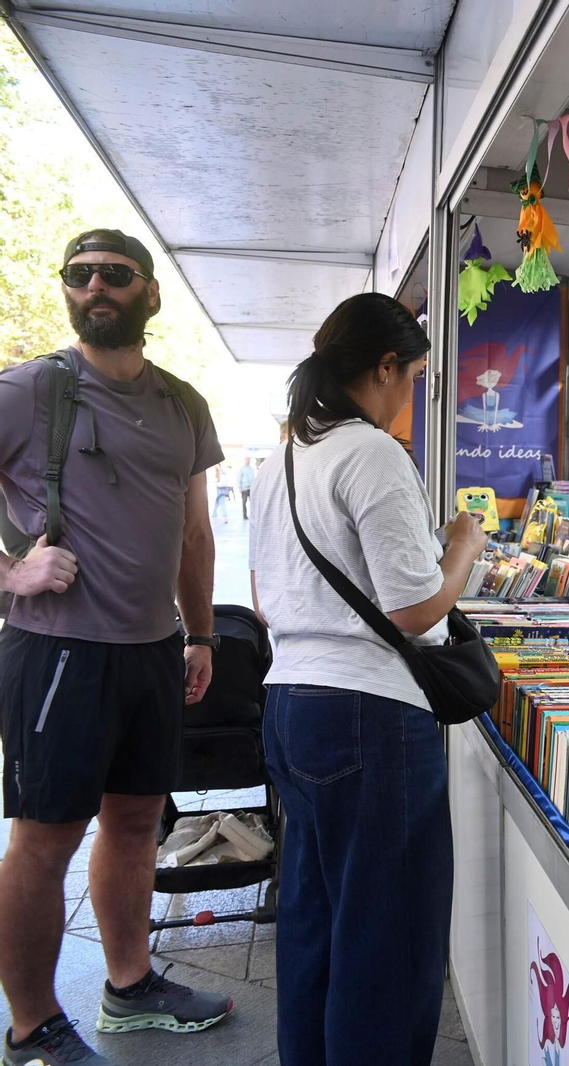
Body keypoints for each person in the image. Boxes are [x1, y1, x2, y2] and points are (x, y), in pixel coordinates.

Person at [0, 229, 232, 1066]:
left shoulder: (182, 404)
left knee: (136, 822)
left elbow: (196, 533)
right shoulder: (30, 389)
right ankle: (32, 1030)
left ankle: (129, 988)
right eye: (80, 273)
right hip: (59, 652)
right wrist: (11, 572)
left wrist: (200, 631)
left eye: (115, 274)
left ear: (150, 293)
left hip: (153, 651)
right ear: (67, 289)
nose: (96, 285)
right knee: (44, 837)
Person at [249, 292, 488, 1066]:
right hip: (371, 716)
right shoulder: (372, 452)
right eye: (412, 374)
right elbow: (416, 609)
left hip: (290, 703)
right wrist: (462, 545)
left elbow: (264, 597)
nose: (409, 391)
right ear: (385, 366)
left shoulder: (283, 457)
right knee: (388, 938)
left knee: (316, 919)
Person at [237, 457, 257, 521]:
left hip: (251, 488)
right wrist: (239, 487)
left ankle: (253, 515)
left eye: (248, 460)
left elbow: (254, 478)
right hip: (244, 488)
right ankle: (244, 515)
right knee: (244, 503)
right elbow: (239, 478)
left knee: (252, 503)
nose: (247, 461)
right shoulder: (241, 469)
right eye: (246, 460)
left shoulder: (252, 469)